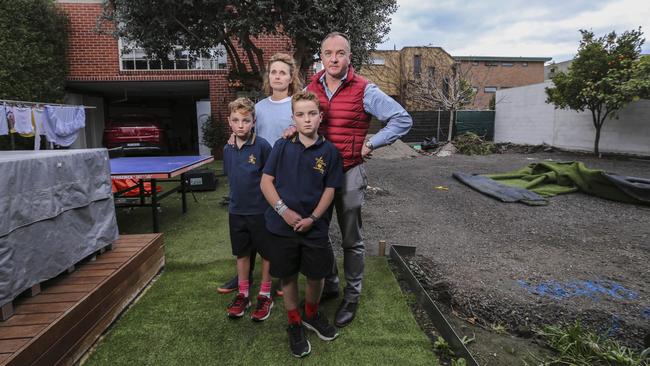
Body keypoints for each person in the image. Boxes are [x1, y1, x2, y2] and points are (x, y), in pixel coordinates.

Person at [304, 32, 413, 327]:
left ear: (349, 56)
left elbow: (402, 119)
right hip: (318, 174)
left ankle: (352, 296)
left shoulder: (365, 89)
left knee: (351, 240)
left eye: (340, 53)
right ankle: (331, 283)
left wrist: (373, 143)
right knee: (319, 234)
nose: (334, 58)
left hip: (350, 171)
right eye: (328, 53)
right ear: (321, 56)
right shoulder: (310, 87)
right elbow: (299, 120)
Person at [260, 91, 343, 358]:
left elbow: (330, 190)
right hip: (281, 227)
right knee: (288, 276)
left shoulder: (330, 152)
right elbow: (266, 182)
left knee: (317, 275)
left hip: (314, 228)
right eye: (300, 114)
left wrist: (313, 219)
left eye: (311, 114)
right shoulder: (282, 146)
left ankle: (311, 313)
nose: (306, 120)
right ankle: (294, 321)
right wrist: (283, 211)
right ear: (293, 118)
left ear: (320, 117)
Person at [217, 53, 303, 294]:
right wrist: (234, 135)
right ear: (269, 77)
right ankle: (243, 277)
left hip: (288, 173)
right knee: (255, 227)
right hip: (263, 174)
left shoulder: (298, 104)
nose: (277, 76)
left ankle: (283, 276)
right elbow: (246, 128)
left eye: (282, 72)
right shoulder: (260, 107)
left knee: (282, 228)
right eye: (273, 72)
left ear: (290, 77)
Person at [222, 97, 274, 321]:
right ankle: (243, 293)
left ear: (254, 121)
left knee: (267, 254)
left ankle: (265, 293)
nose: (240, 124)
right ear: (229, 122)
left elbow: (272, 178)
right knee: (242, 254)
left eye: (245, 120)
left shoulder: (262, 146)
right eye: (236, 120)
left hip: (261, 212)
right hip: (237, 212)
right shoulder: (227, 147)